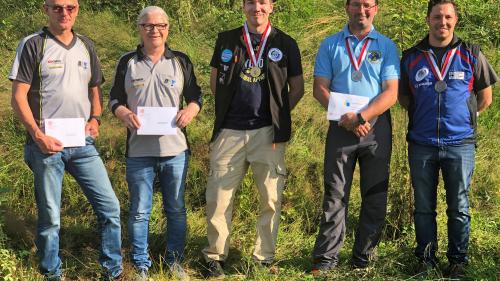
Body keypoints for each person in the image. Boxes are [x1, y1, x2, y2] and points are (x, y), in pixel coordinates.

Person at [9, 0, 122, 280]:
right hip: (46, 146)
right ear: (45, 9)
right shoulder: (33, 44)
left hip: (83, 144)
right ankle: (51, 273)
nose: (64, 13)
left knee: (110, 208)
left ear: (78, 9)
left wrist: (95, 119)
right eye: (57, 7)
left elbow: (94, 88)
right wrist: (37, 136)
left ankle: (113, 270)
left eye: (70, 7)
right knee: (51, 217)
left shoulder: (86, 45)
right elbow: (18, 97)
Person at [201, 0, 304, 278]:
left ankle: (262, 257)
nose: (256, 7)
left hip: (268, 133)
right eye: (250, 2)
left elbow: (298, 88)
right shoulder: (227, 39)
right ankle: (215, 256)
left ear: (271, 7)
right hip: (229, 131)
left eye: (262, 2)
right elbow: (214, 83)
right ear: (244, 7)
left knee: (270, 198)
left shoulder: (286, 42)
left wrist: (277, 115)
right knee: (218, 198)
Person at [399, 0, 497, 279]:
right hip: (422, 143)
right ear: (427, 19)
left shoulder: (472, 54)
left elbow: (485, 97)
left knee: (459, 206)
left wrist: (462, 116)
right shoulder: (411, 56)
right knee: (424, 206)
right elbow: (404, 97)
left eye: (448, 17)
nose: (443, 22)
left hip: (460, 143)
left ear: (455, 20)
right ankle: (426, 260)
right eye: (437, 17)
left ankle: (457, 262)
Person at [108, 6, 202, 281]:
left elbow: (196, 95)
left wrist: (191, 111)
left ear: (168, 28)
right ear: (139, 28)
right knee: (139, 211)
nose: (154, 30)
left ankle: (175, 263)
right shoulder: (127, 62)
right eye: (148, 25)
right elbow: (114, 98)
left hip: (175, 151)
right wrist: (122, 112)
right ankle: (141, 266)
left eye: (160, 25)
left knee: (175, 209)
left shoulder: (181, 61)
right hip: (139, 152)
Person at [310, 0, 400, 273]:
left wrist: (362, 117)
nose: (362, 10)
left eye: (368, 5)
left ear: (376, 9)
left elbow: (391, 92)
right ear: (347, 7)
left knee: (375, 194)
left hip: (376, 129)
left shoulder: (386, 46)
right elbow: (319, 88)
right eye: (357, 5)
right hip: (341, 128)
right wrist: (346, 119)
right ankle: (326, 260)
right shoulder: (330, 44)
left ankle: (364, 259)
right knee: (335, 194)